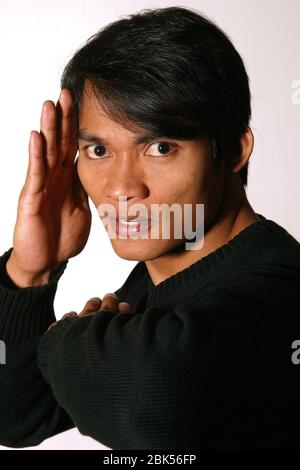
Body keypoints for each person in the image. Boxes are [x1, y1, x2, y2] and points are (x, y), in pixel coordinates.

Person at [0, 5, 299, 450]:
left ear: (234, 150)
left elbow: (152, 404)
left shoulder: (280, 292)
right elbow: (16, 419)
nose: (122, 188)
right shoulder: (152, 279)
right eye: (99, 150)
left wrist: (64, 338)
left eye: (160, 147)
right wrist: (30, 274)